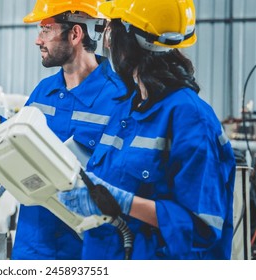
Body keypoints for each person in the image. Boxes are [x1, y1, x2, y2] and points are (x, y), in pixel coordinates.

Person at [0, 0, 128, 259]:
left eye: (46, 30)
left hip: (86, 249)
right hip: (33, 244)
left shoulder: (120, 98)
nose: (38, 40)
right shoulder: (44, 91)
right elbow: (17, 139)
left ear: (75, 34)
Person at [58, 0, 237, 259]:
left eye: (112, 29)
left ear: (131, 39)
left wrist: (123, 203)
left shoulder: (189, 117)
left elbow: (202, 228)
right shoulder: (128, 108)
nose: (107, 42)